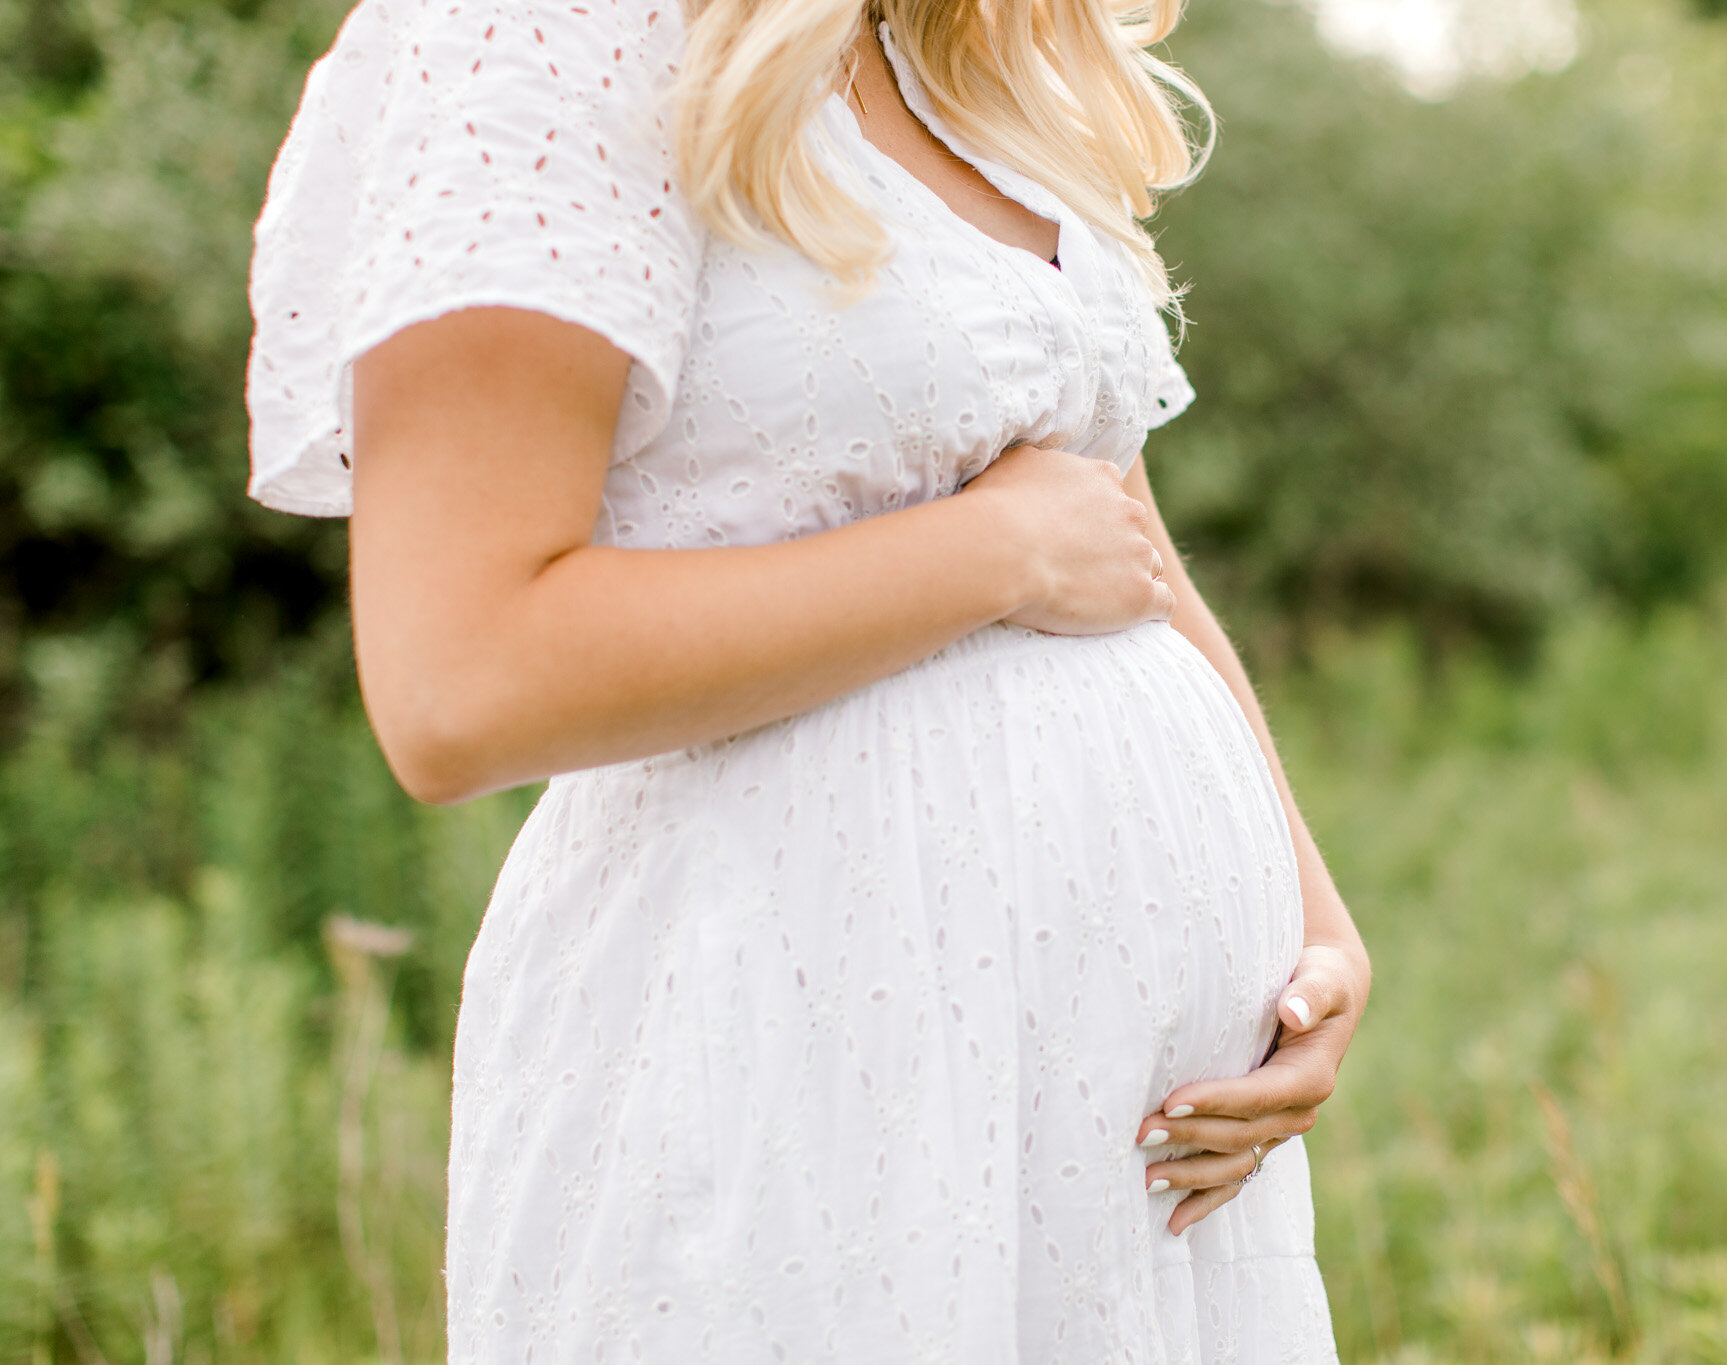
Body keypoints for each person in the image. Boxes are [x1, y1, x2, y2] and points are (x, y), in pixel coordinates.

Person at [244, 0, 1371, 1355]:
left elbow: (1113, 539)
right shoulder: (542, 34)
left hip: (1129, 1150)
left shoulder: (946, 52)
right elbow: (457, 679)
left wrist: (1312, 920)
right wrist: (984, 556)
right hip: (794, 1065)